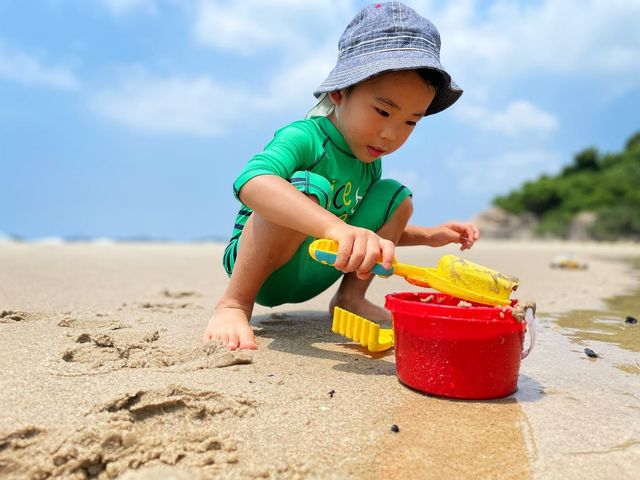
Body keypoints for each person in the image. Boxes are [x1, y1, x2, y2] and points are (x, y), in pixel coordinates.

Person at [203, 2, 479, 350]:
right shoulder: (305, 136)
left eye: (410, 121)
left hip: (319, 264)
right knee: (307, 187)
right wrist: (336, 228)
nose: (390, 135)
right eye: (382, 111)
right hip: (264, 270)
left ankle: (349, 299)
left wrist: (429, 235)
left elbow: (361, 230)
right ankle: (233, 304)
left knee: (395, 197)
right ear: (339, 92)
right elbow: (250, 182)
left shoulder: (368, 159)